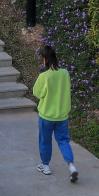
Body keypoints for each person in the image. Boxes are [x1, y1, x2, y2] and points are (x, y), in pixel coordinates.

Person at [32, 45, 78, 182]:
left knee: (45, 140)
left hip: (46, 115)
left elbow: (37, 93)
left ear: (44, 59)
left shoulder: (44, 76)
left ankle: (45, 165)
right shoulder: (65, 73)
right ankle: (71, 167)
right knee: (63, 141)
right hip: (62, 115)